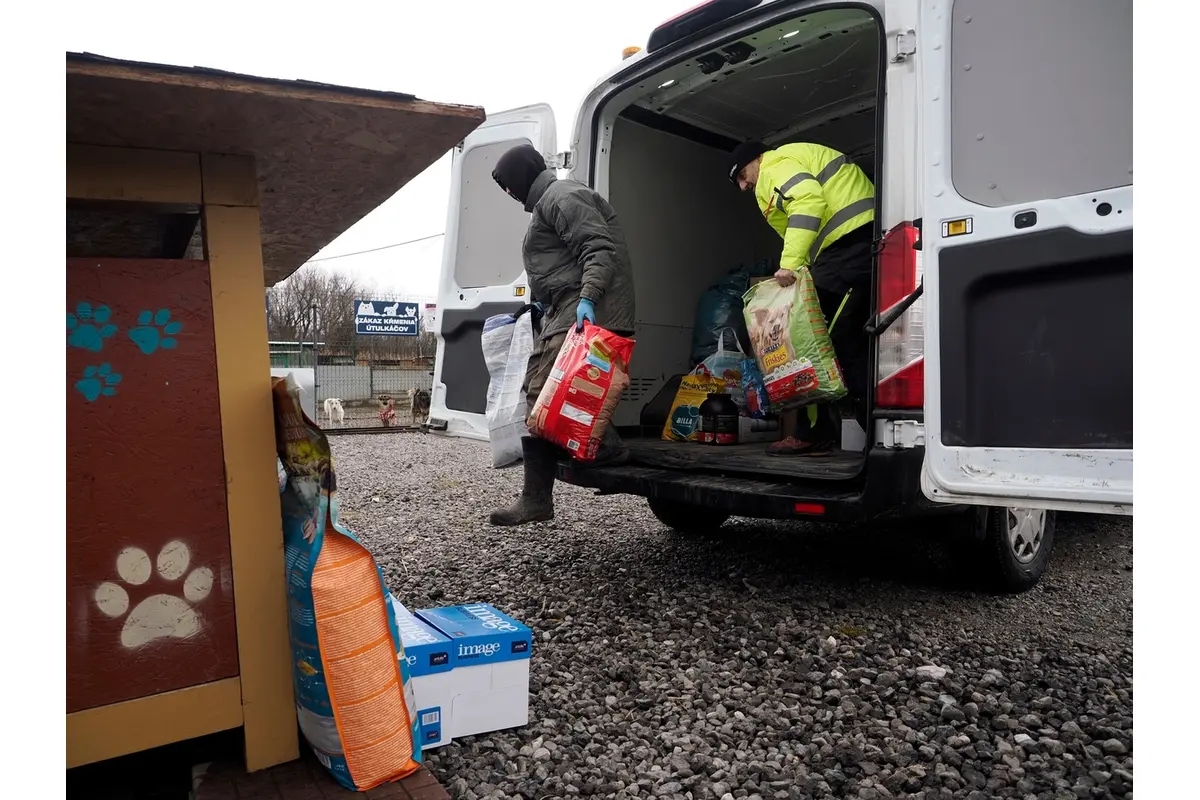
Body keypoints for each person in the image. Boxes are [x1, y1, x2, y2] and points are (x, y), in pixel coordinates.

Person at [488, 143, 636, 526]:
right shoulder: (548, 202)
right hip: (565, 304)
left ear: (521, 177)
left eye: (507, 185)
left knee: (546, 391)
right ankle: (540, 495)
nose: (508, 193)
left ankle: (602, 452)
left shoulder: (561, 196)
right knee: (543, 389)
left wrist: (588, 298)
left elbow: (598, 249)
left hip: (587, 303)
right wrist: (539, 303)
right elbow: (557, 262)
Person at [728, 140, 876, 456]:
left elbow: (807, 200)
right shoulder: (792, 159)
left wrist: (790, 265)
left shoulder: (773, 165)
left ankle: (857, 435)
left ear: (756, 159)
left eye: (741, 175)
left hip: (851, 249)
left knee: (820, 344)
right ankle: (845, 432)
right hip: (851, 249)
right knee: (839, 343)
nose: (743, 186)